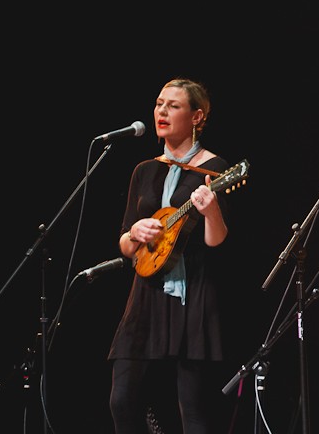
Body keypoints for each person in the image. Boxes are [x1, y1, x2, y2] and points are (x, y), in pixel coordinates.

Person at [108, 78, 233, 434]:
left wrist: (211, 212)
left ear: (197, 117)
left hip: (192, 290)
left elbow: (216, 241)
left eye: (173, 106)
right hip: (145, 290)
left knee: (193, 408)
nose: (162, 111)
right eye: (159, 103)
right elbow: (124, 244)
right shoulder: (144, 170)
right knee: (122, 398)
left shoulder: (214, 167)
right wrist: (134, 233)